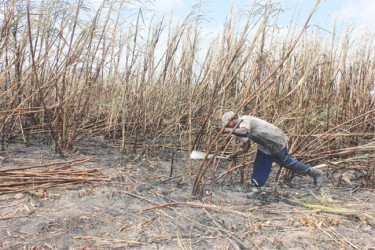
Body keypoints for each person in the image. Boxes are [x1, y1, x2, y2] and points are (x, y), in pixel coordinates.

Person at [218, 111, 323, 199]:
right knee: (260, 163)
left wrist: (226, 130)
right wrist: (235, 155)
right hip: (265, 144)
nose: (227, 127)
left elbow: (244, 131)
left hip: (275, 139)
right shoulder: (237, 130)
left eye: (227, 125)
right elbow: (246, 145)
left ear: (232, 120)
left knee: (287, 162)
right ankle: (256, 190)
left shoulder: (245, 120)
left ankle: (315, 173)